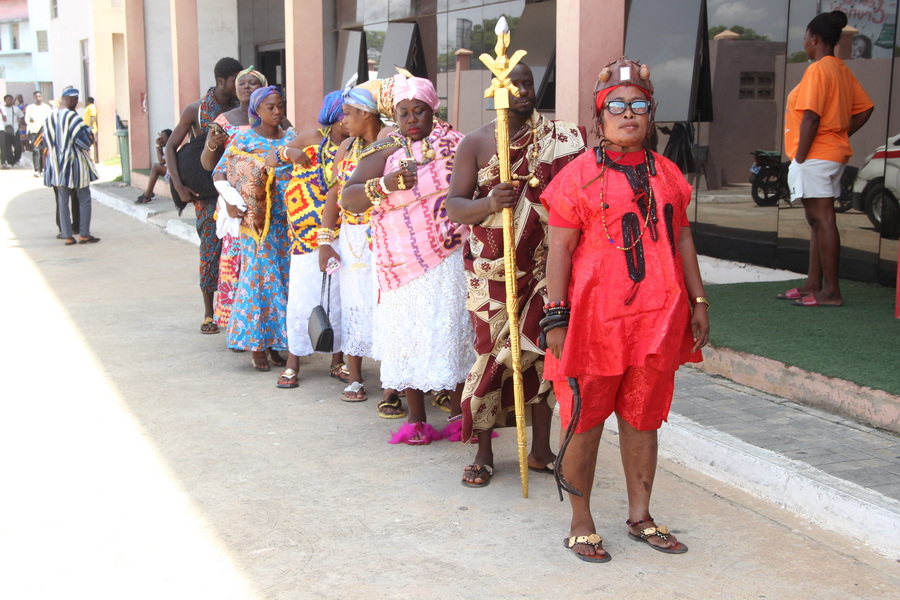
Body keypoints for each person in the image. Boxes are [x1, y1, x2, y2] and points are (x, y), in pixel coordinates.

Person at [541, 57, 709, 562]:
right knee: (584, 421)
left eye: (638, 105)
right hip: (592, 324)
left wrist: (699, 300)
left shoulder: (669, 174)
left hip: (657, 322)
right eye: (616, 105)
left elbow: (683, 240)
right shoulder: (576, 177)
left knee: (642, 419)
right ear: (600, 117)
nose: (628, 114)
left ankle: (641, 516)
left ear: (651, 114)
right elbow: (559, 251)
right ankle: (581, 521)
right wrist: (556, 314)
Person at [446, 62, 586, 487]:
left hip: (546, 268)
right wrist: (490, 203)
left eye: (528, 83)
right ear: (495, 90)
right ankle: (484, 453)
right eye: (514, 84)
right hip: (492, 273)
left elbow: (579, 200)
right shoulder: (475, 142)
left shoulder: (562, 139)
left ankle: (540, 449)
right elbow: (455, 207)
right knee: (491, 359)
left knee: (542, 357)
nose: (523, 91)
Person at [342, 73, 473, 445]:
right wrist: (386, 184)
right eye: (404, 113)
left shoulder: (456, 144)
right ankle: (417, 419)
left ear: (433, 110)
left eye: (420, 111)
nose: (412, 119)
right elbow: (349, 198)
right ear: (394, 116)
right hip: (399, 263)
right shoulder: (386, 150)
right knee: (408, 335)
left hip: (448, 256)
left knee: (451, 330)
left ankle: (458, 416)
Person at [779, 10, 873, 308]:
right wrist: (840, 134)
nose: (804, 42)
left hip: (816, 155)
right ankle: (813, 283)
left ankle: (831, 291)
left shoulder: (819, 69)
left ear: (815, 39)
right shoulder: (840, 69)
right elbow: (866, 109)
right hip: (830, 153)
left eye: (805, 37)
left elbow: (811, 117)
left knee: (823, 219)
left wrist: (800, 158)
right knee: (817, 221)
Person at [212, 86, 296, 371]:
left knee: (281, 282)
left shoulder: (291, 138)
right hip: (256, 225)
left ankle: (275, 344)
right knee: (258, 281)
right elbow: (220, 172)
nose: (277, 111)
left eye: (280, 106)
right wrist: (229, 199)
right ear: (257, 110)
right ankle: (256, 346)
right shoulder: (245, 138)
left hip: (285, 225)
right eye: (270, 107)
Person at [270, 90, 349, 389]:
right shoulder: (311, 138)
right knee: (302, 298)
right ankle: (294, 361)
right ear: (334, 117)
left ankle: (337, 360)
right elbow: (269, 159)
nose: (349, 120)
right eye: (345, 114)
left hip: (340, 233)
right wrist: (287, 153)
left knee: (338, 298)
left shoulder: (355, 146)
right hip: (304, 238)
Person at [317, 84, 385, 405]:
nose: (343, 121)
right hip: (351, 237)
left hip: (385, 234)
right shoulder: (345, 147)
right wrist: (325, 241)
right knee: (355, 302)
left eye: (347, 114)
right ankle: (355, 375)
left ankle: (393, 380)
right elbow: (334, 193)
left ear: (366, 114)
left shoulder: (390, 142)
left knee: (386, 303)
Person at [165, 56, 243, 334]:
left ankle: (234, 308)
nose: (238, 85)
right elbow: (170, 146)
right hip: (207, 192)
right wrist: (178, 185)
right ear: (221, 80)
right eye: (234, 80)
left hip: (235, 189)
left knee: (236, 251)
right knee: (210, 249)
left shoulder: (241, 110)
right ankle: (209, 313)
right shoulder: (196, 110)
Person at [199, 66, 268, 337]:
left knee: (262, 264)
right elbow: (209, 165)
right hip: (235, 203)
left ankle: (263, 323)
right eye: (243, 83)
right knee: (236, 262)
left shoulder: (274, 117)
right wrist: (212, 144)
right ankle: (237, 326)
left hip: (267, 203)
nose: (247, 87)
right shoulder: (224, 121)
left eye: (254, 83)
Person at [43, 87, 99, 245]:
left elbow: (45, 141)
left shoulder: (50, 117)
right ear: (73, 100)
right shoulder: (73, 118)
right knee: (84, 197)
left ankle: (67, 235)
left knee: (62, 200)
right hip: (75, 164)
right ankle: (84, 234)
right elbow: (84, 141)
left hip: (56, 165)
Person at [136, 129, 172, 203]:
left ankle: (147, 195)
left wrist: (157, 146)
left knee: (155, 167)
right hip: (171, 170)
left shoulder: (171, 146)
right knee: (155, 166)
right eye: (160, 138)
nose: (161, 140)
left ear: (169, 138)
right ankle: (149, 193)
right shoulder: (169, 146)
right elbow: (162, 159)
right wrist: (160, 148)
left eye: (163, 138)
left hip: (174, 172)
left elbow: (161, 161)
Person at [25, 91, 52, 177]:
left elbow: (50, 119)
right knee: (36, 150)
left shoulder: (47, 108)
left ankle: (43, 169)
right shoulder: (30, 108)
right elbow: (26, 119)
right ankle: (37, 170)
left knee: (43, 150)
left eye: (39, 96)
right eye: (36, 97)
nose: (38, 98)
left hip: (44, 132)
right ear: (34, 98)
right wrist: (30, 120)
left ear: (42, 97)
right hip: (34, 131)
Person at [1, 94, 24, 168]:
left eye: (10, 99)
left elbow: (22, 116)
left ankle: (17, 159)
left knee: (18, 146)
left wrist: (19, 125)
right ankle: (10, 162)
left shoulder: (15, 109)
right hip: (5, 130)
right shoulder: (2, 109)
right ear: (5, 100)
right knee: (8, 147)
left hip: (15, 130)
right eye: (7, 99)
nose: (9, 101)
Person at [83, 97, 98, 163]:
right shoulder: (89, 107)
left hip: (91, 129)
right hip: (88, 128)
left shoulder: (91, 107)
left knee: (91, 145)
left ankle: (92, 159)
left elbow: (93, 117)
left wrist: (89, 127)